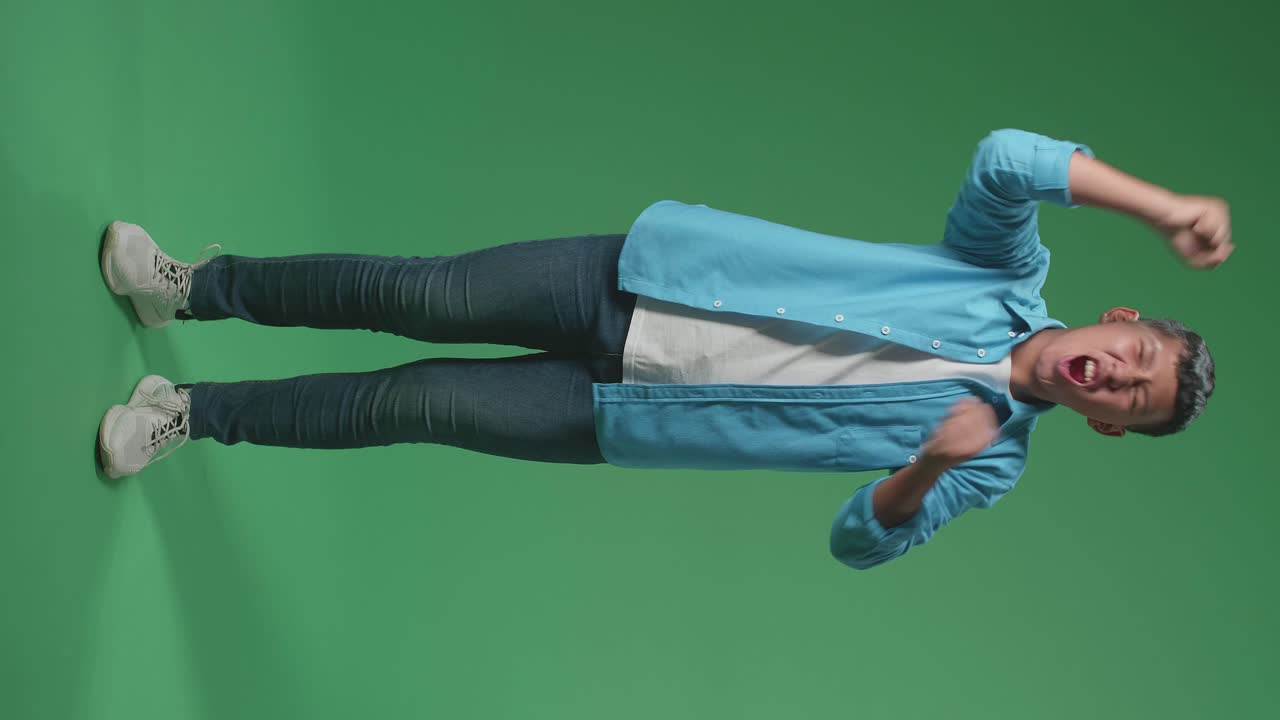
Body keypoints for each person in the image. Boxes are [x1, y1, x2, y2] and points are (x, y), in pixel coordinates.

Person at [96, 128, 1232, 569]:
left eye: (1131, 402)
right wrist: (1158, 202)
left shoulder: (990, 462)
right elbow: (1001, 161)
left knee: (411, 404)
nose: (1120, 379)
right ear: (1118, 324)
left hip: (623, 416)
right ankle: (193, 289)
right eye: (1134, 360)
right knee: (417, 291)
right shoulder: (1000, 277)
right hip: (637, 277)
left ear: (1103, 424)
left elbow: (857, 543)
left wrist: (931, 464)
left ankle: (190, 414)